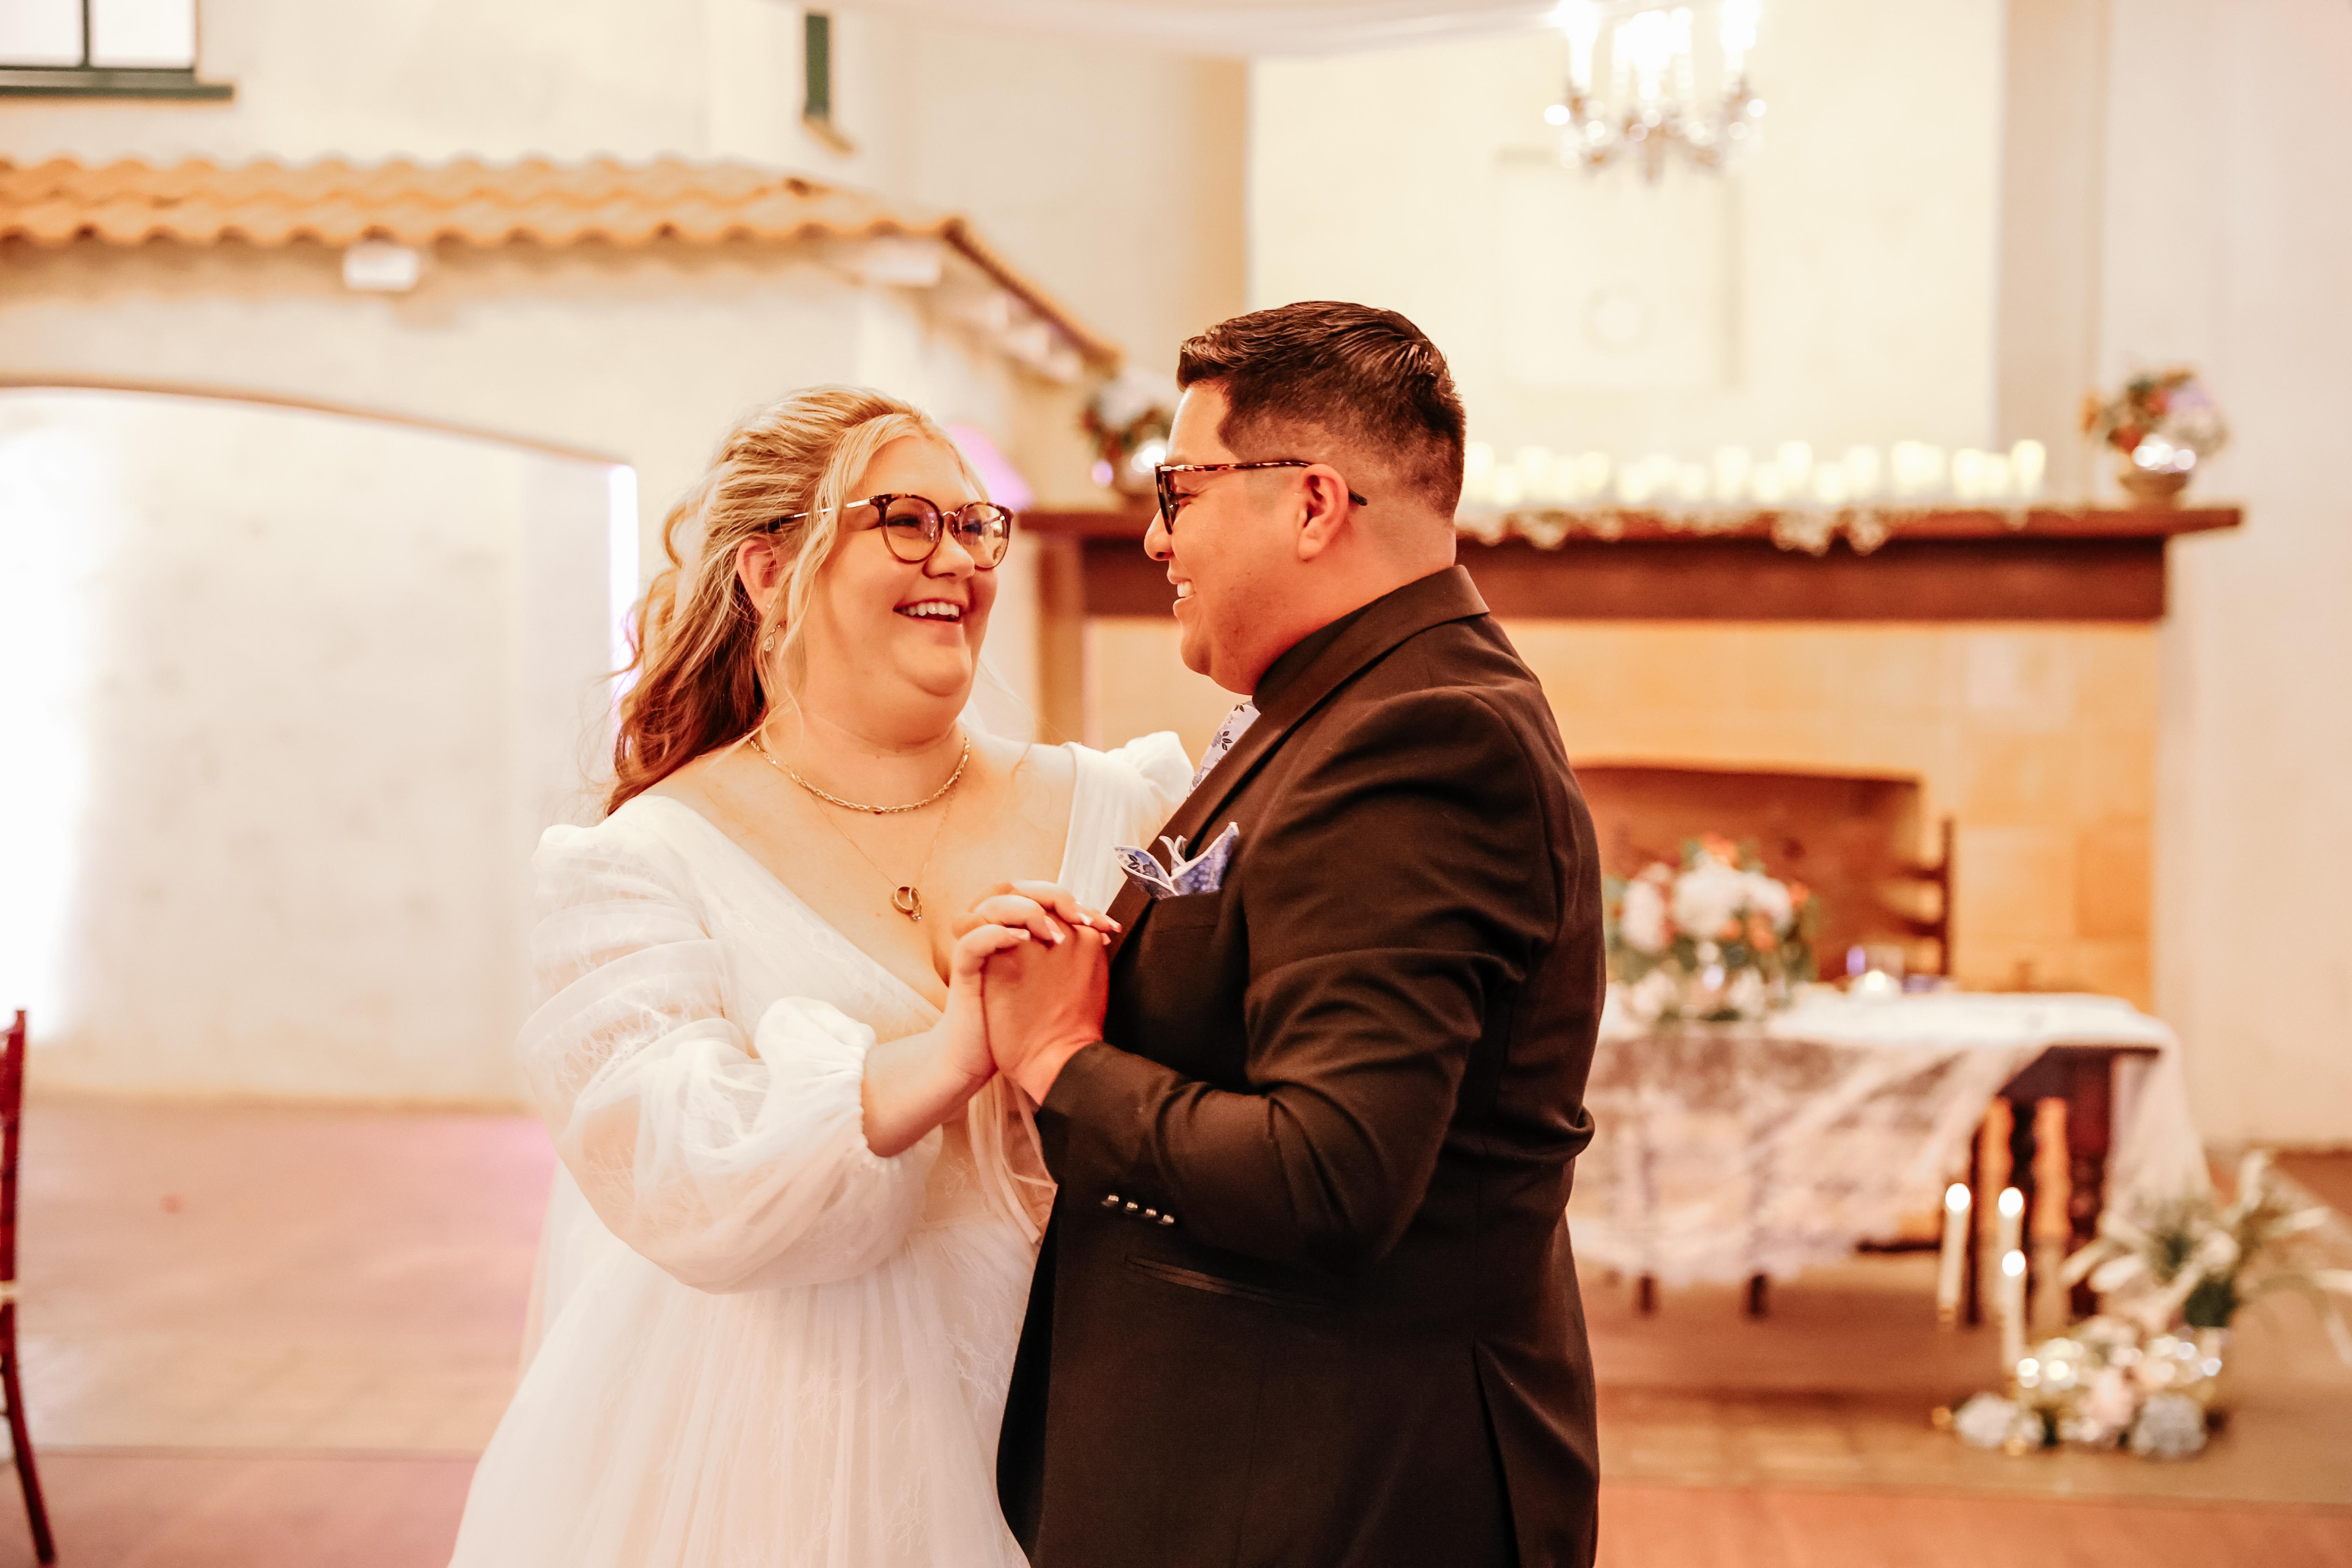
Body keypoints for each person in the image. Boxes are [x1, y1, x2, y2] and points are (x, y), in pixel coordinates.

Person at [447, 387, 1189, 1568]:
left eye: (974, 525)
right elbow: (675, 1165)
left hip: (1097, 1401)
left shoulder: (1120, 811)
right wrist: (948, 1056)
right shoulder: (649, 860)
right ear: (771, 572)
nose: (960, 559)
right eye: (906, 520)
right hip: (791, 1444)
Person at [975, 303, 1605, 1566]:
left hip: (1334, 1487)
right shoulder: (1351, 702)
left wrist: (1060, 1061)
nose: (1156, 535)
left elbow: (1328, 1172)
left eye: (1181, 489)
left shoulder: (1420, 737)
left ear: (1314, 504)